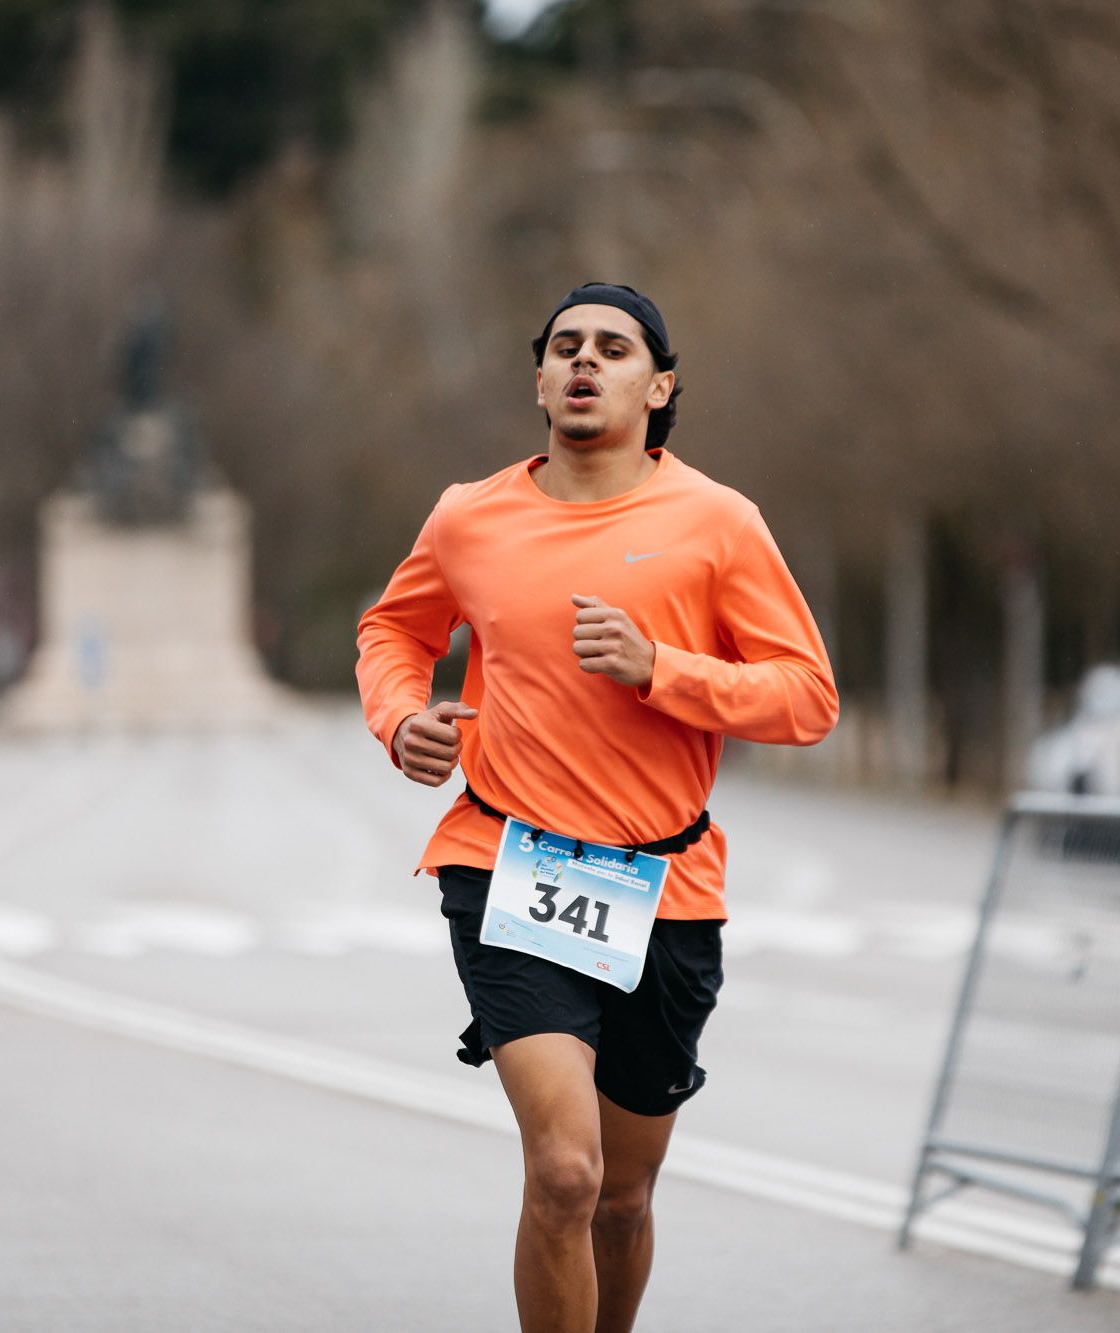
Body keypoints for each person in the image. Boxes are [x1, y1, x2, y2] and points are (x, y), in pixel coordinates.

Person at [356, 283, 838, 1333]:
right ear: (537, 380)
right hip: (507, 864)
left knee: (621, 1197)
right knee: (566, 1171)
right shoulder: (468, 516)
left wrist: (659, 666)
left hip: (664, 887)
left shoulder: (717, 523)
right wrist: (402, 721)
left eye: (612, 348)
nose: (584, 361)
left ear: (658, 386)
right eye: (564, 346)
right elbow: (391, 632)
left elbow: (807, 697)